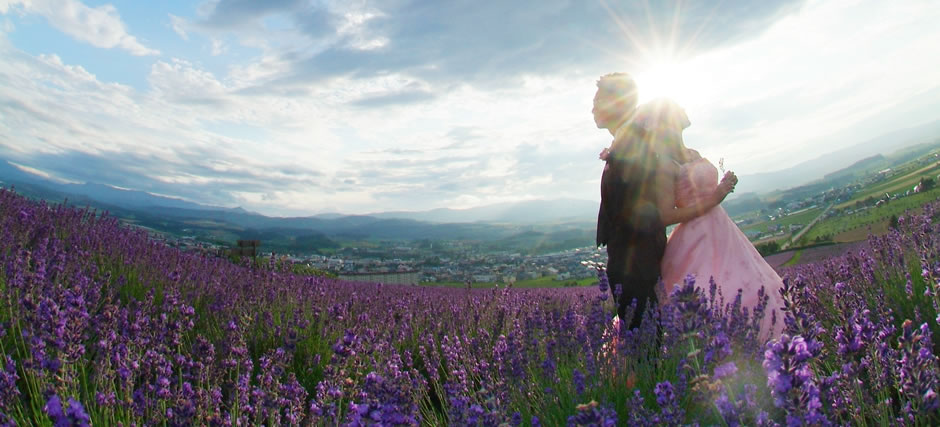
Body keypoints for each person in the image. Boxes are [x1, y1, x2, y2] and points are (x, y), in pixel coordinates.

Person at [594, 75, 734, 330]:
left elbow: (648, 208)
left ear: (616, 103)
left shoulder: (634, 144)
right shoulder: (626, 141)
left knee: (645, 337)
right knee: (646, 334)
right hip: (632, 254)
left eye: (598, 101)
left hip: (635, 256)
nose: (593, 108)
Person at [644, 98, 785, 339]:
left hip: (723, 231)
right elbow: (666, 215)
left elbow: (705, 191)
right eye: (679, 107)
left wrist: (723, 186)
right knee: (712, 294)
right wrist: (715, 197)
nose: (684, 108)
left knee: (750, 285)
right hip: (695, 239)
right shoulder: (666, 165)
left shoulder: (693, 153)